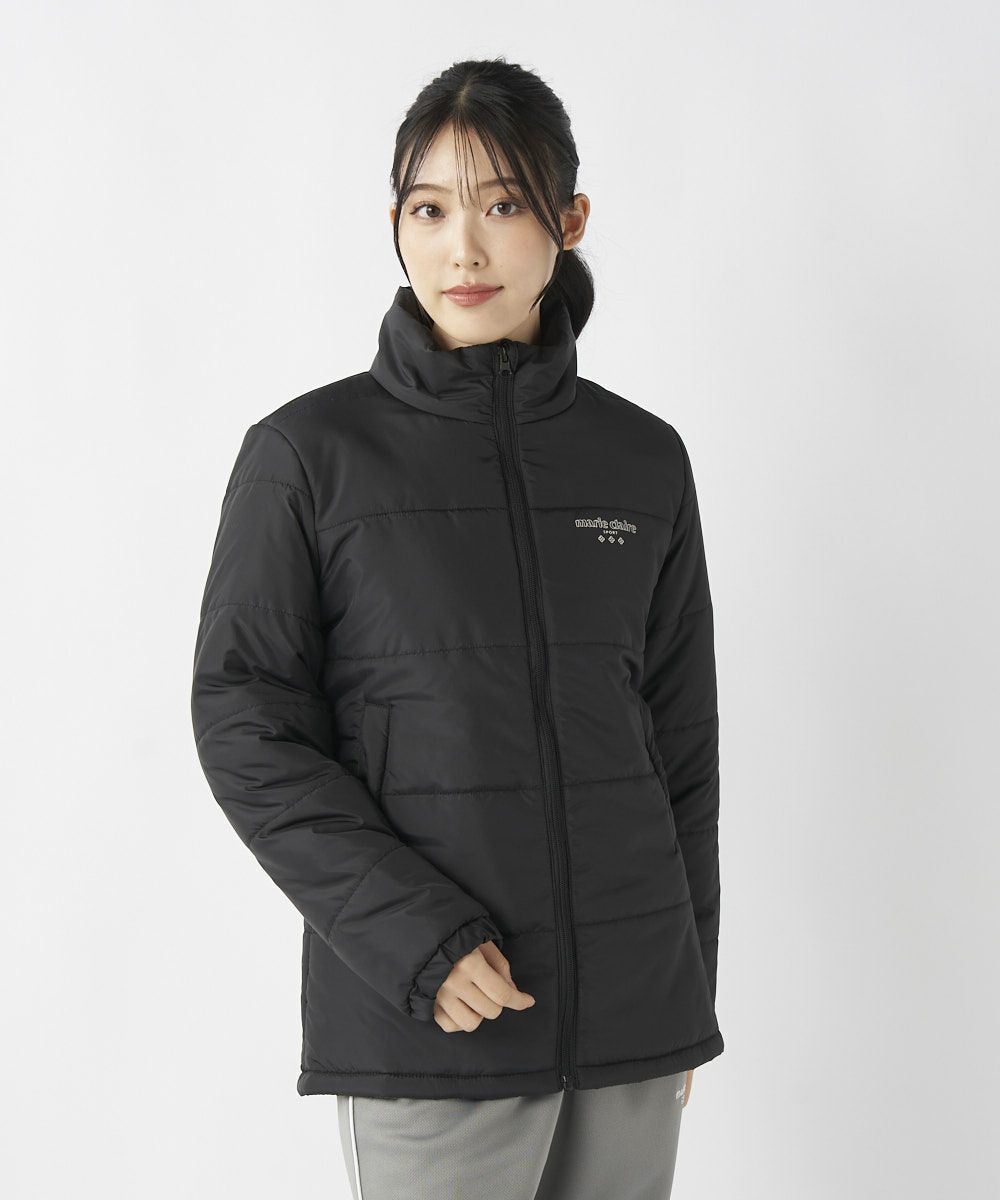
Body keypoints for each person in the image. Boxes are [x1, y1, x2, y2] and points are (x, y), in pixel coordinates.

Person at [191, 56, 723, 1200]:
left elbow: (680, 748)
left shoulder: (642, 459)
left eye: (503, 204)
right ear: (395, 224)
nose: (463, 250)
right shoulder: (309, 458)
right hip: (435, 1020)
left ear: (568, 221)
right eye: (429, 210)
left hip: (634, 1015)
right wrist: (416, 943)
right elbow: (246, 726)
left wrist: (684, 991)